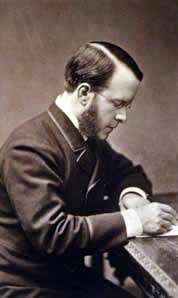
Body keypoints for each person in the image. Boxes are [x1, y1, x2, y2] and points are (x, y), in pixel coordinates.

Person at [0, 41, 176, 297]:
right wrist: (137, 220)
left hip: (63, 278)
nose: (123, 117)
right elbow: (53, 234)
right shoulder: (28, 147)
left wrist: (132, 197)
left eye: (128, 106)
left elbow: (129, 172)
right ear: (84, 94)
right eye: (117, 103)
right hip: (22, 286)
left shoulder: (89, 140)